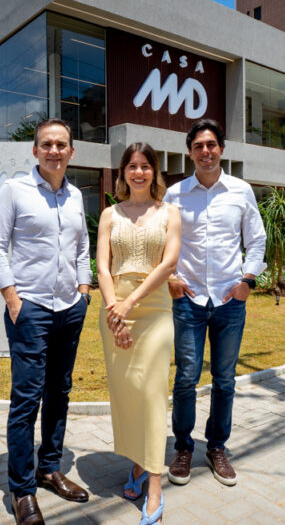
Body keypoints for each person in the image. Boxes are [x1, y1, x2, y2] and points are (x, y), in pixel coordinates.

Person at [0, 119, 92, 525]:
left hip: (69, 307)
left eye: (61, 144)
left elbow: (82, 246)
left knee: (60, 391)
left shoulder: (77, 196)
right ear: (35, 151)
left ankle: (49, 468)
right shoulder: (14, 190)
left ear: (71, 151)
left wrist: (83, 290)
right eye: (46, 144)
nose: (54, 150)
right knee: (27, 399)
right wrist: (12, 299)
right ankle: (22, 490)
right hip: (29, 309)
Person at [163, 119, 267, 488]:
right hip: (189, 301)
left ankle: (217, 447)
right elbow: (163, 244)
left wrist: (247, 281)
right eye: (198, 146)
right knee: (186, 379)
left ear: (221, 148)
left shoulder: (241, 191)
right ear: (189, 152)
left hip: (229, 301)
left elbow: (256, 240)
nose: (205, 152)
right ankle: (183, 447)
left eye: (211, 145)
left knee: (224, 380)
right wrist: (172, 279)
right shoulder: (175, 195)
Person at [96, 143, 181, 525]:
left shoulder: (170, 213)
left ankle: (155, 486)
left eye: (146, 166)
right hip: (114, 308)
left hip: (154, 311)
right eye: (132, 166)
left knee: (152, 395)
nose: (139, 173)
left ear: (155, 172)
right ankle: (138, 465)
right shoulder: (109, 214)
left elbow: (169, 264)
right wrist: (115, 310)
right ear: (123, 172)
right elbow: (101, 265)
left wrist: (129, 307)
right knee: (129, 394)